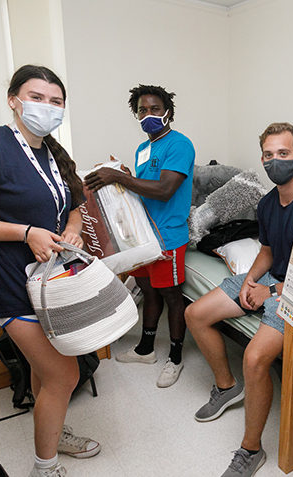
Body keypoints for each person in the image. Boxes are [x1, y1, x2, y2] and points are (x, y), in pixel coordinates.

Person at [0, 65, 100, 477]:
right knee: (64, 374)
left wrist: (71, 231)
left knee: (42, 369)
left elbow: (76, 208)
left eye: (56, 101)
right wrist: (25, 232)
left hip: (53, 285)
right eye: (37, 97)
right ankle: (44, 467)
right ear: (13, 100)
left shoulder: (54, 154)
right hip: (12, 286)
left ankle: (52, 430)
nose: (47, 108)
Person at [185, 122, 293, 477]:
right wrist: (250, 280)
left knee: (254, 358)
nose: (275, 160)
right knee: (195, 314)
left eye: (284, 154)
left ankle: (251, 450)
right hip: (269, 277)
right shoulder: (267, 203)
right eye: (269, 154)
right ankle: (226, 386)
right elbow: (265, 250)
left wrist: (271, 292)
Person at [84, 85, 195, 388]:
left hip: (168, 237)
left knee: (172, 296)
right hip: (143, 236)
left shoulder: (179, 145)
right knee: (147, 291)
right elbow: (138, 187)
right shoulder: (143, 149)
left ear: (167, 111)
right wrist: (116, 172)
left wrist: (119, 177)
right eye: (142, 110)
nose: (148, 115)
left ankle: (175, 357)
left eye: (155, 109)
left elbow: (164, 190)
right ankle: (146, 349)